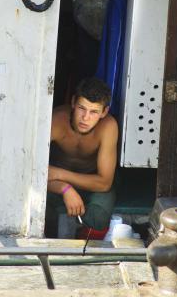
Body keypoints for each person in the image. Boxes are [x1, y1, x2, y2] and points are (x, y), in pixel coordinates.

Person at [45, 77, 118, 238]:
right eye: (81, 108)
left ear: (104, 112)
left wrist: (60, 174)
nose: (85, 118)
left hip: (91, 182)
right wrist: (64, 188)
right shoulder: (56, 120)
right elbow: (33, 172)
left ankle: (86, 254)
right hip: (53, 182)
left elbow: (104, 183)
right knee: (39, 207)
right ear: (73, 103)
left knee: (98, 216)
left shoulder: (108, 127)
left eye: (94, 112)